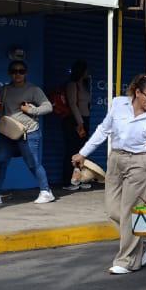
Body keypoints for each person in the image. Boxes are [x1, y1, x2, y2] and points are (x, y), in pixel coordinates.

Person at [73, 73, 146, 273]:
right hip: (115, 159)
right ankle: (144, 240)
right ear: (137, 93)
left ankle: (127, 261)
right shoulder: (118, 104)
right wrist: (83, 153)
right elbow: (102, 130)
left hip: (140, 162)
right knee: (113, 209)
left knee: (129, 211)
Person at [0, 59, 55, 207]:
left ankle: (46, 191)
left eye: (21, 71)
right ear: (10, 73)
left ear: (26, 73)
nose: (18, 74)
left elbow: (48, 107)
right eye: (14, 71)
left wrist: (32, 110)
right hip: (8, 133)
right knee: (0, 162)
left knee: (33, 163)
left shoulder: (33, 90)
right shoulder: (4, 90)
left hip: (28, 132)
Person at [60, 61, 93, 192]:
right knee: (72, 150)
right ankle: (68, 180)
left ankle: (80, 178)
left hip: (85, 119)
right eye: (86, 70)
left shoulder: (84, 85)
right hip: (75, 121)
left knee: (83, 151)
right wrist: (80, 123)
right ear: (81, 71)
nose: (88, 72)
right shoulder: (72, 85)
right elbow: (73, 104)